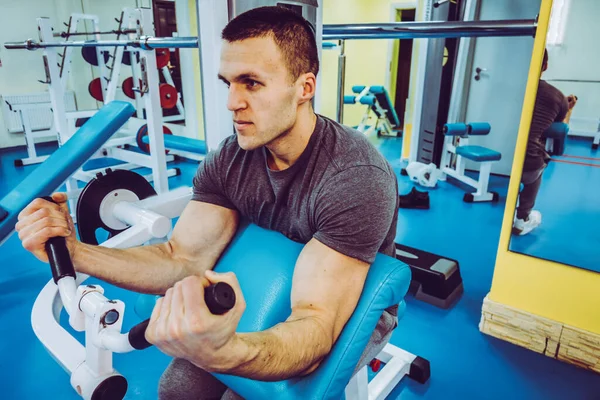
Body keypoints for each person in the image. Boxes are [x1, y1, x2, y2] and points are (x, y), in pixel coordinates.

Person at [15, 6, 400, 400]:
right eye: (228, 83)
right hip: (272, 277)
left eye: (251, 83)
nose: (233, 102)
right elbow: (179, 257)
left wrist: (227, 353)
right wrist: (74, 252)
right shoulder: (232, 158)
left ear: (304, 87)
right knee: (177, 390)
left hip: (340, 305)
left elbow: (315, 323)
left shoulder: (355, 178)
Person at [513, 49, 577, 236]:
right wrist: (567, 106)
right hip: (528, 162)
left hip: (505, 157)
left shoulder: (515, 87)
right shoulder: (557, 96)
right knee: (537, 166)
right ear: (545, 66)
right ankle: (522, 218)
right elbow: (556, 124)